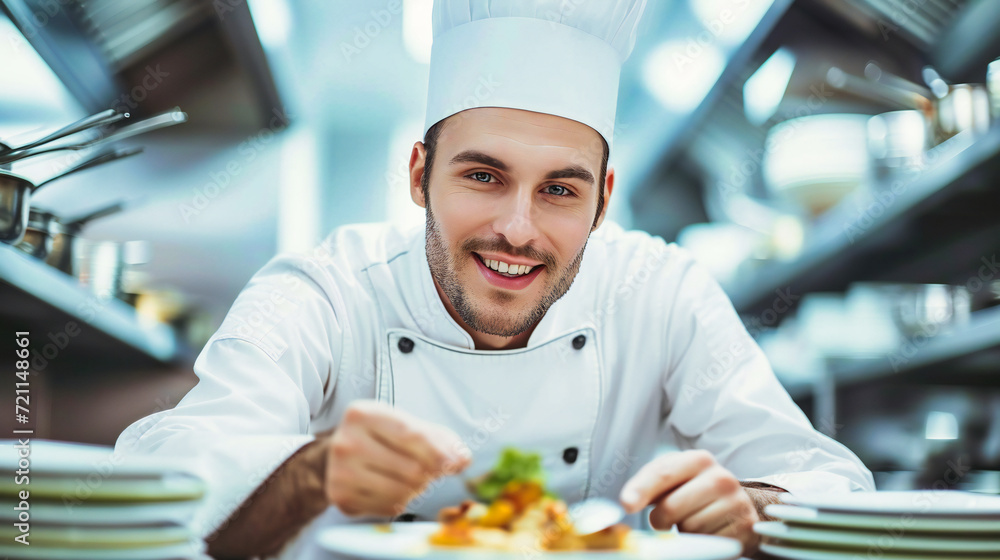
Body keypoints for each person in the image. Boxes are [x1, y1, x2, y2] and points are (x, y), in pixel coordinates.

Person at [116, 1, 875, 558]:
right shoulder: (325, 290)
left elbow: (833, 492)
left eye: (560, 190)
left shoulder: (664, 294)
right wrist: (307, 474)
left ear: (604, 199)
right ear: (420, 174)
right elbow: (162, 490)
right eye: (483, 175)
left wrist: (752, 511)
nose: (518, 228)